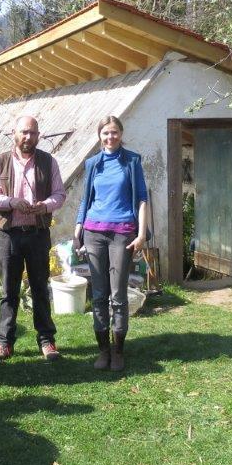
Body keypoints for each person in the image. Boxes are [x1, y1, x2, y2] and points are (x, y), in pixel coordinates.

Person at [0, 116, 66, 363]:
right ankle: (4, 343)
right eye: (23, 132)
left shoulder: (48, 161)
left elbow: (59, 194)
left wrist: (44, 206)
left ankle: (47, 340)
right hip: (9, 234)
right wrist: (13, 202)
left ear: (38, 135)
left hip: (37, 233)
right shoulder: (1, 161)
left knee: (40, 287)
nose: (28, 137)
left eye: (32, 133)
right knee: (8, 290)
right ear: (14, 133)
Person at [74, 116, 149, 372]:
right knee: (98, 295)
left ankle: (118, 351)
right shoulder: (92, 163)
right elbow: (86, 199)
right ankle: (103, 351)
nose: (110, 137)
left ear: (121, 133)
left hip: (122, 234)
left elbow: (142, 199)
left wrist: (141, 234)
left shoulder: (132, 161)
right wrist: (78, 228)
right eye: (105, 133)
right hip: (93, 233)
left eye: (114, 132)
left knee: (118, 295)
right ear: (99, 135)